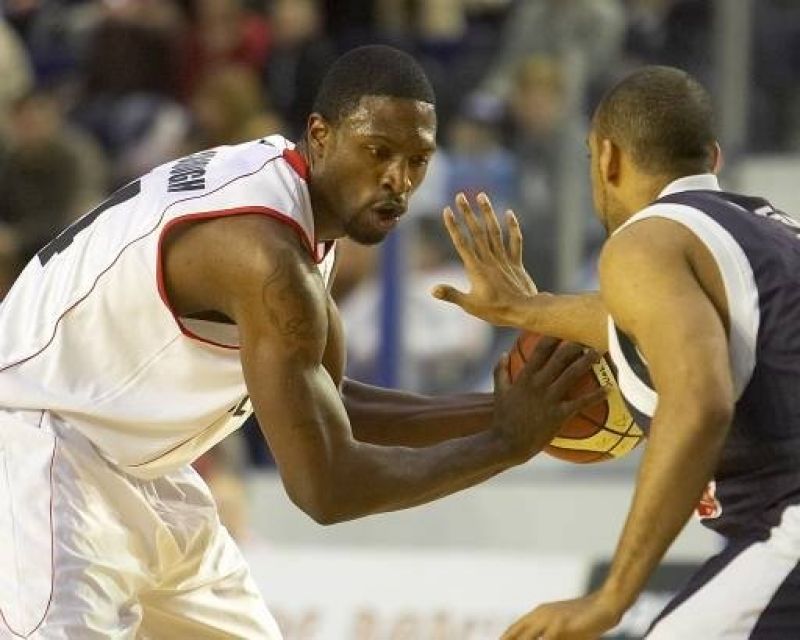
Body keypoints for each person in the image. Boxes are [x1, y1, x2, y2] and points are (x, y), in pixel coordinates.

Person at [0, 45, 600, 639]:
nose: (399, 179)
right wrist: (506, 443)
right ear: (320, 134)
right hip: (40, 450)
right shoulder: (265, 259)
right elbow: (326, 488)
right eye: (378, 152)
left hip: (142, 465)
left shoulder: (293, 198)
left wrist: (513, 413)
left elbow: (333, 407)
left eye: (418, 159)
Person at [434, 65, 800, 639]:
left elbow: (698, 400)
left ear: (606, 157)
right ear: (713, 158)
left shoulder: (645, 240)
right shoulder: (770, 232)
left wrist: (612, 596)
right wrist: (527, 310)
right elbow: (657, 321)